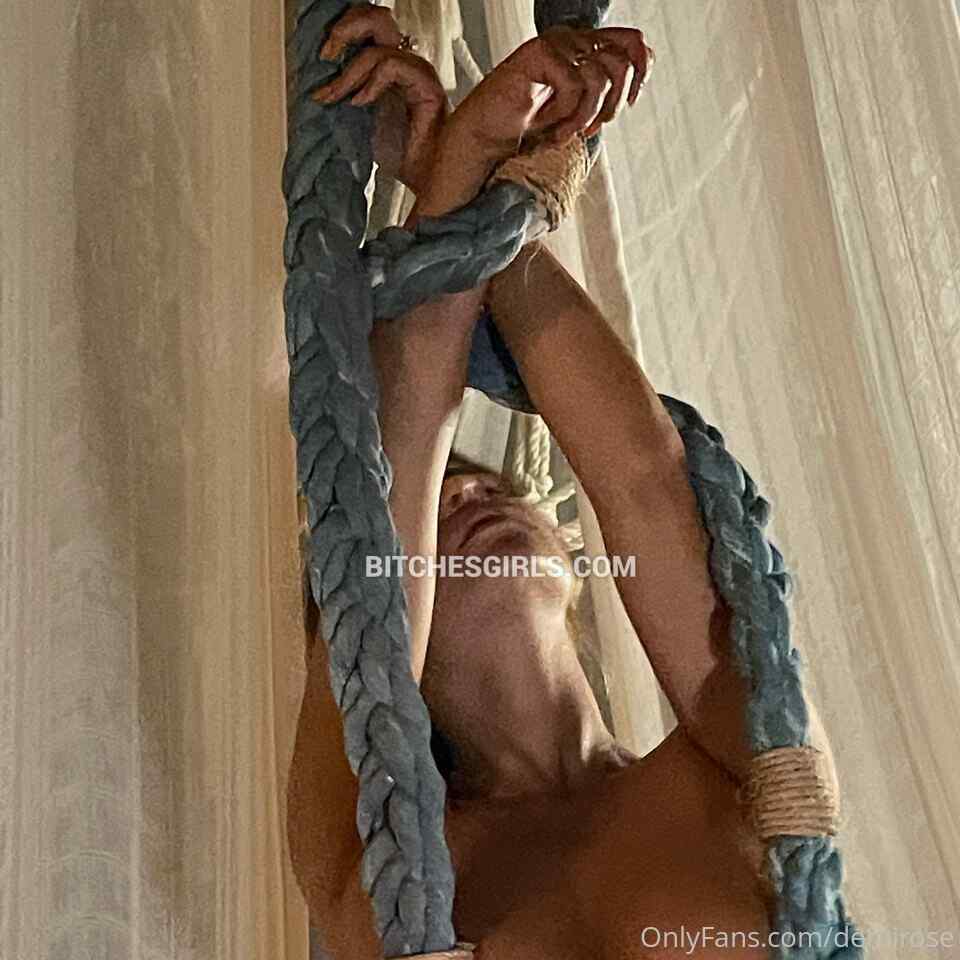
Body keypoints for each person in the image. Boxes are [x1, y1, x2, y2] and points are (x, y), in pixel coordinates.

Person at [287, 6, 839, 958]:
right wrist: (465, 170)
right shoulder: (364, 846)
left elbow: (642, 477)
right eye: (439, 507)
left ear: (578, 564)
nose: (468, 496)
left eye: (488, 487)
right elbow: (381, 530)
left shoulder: (744, 758)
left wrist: (473, 175)